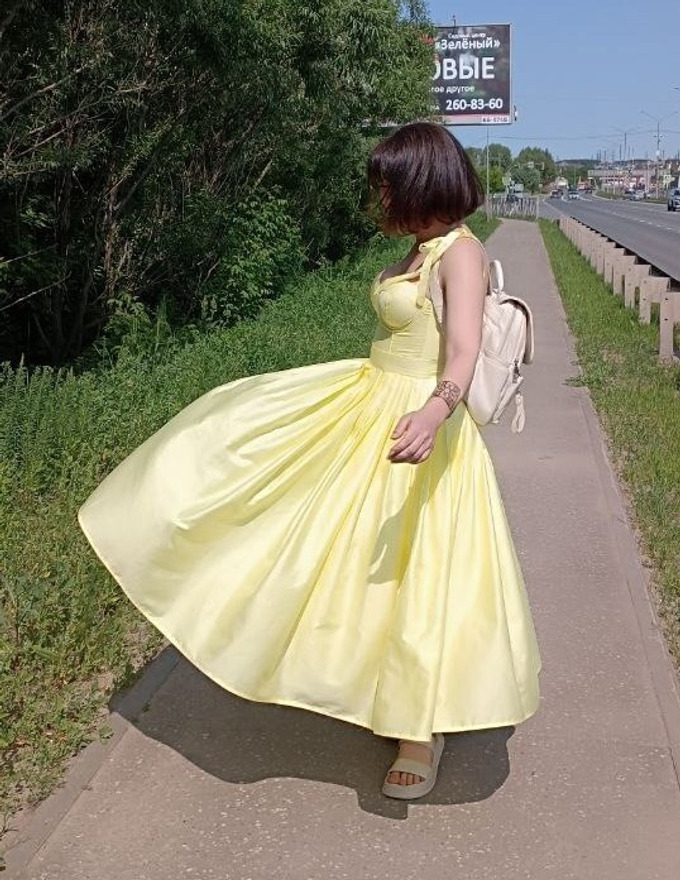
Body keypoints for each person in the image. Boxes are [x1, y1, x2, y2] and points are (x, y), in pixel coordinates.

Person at [79, 121, 540, 801]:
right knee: (336, 546)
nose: (380, 197)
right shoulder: (420, 249)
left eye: (388, 185)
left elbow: (464, 350)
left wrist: (435, 411)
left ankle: (418, 732)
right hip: (370, 403)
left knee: (418, 572)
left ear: (421, 182)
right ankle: (365, 681)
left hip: (420, 423)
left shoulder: (461, 253)